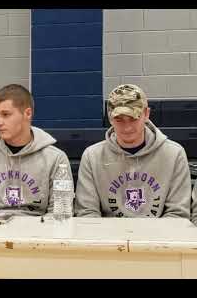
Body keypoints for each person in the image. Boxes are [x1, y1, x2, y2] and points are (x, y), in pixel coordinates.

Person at [75, 84, 191, 219]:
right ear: (110, 118)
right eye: (119, 120)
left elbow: (178, 214)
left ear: (147, 114)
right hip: (109, 237)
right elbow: (87, 214)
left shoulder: (174, 154)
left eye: (133, 118)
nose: (127, 127)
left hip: (156, 238)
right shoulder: (92, 156)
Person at [0, 84, 72, 215]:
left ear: (27, 113)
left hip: (37, 231)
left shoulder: (56, 159)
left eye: (6, 114)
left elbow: (60, 213)